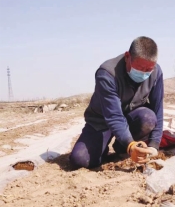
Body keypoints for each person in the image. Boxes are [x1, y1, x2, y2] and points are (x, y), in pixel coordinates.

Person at [69, 36, 164, 169]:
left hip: (132, 118)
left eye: (148, 70)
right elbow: (114, 116)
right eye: (140, 68)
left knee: (148, 117)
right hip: (102, 120)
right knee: (79, 160)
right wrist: (131, 146)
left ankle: (121, 146)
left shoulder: (156, 72)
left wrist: (154, 145)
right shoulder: (107, 73)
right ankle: (105, 148)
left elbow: (158, 109)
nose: (144, 73)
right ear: (127, 56)